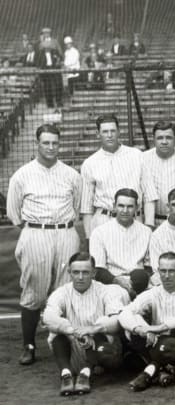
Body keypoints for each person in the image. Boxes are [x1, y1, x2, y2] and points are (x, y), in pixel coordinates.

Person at [6, 123, 82, 365]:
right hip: (36, 233)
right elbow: (14, 214)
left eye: (55, 143)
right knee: (34, 292)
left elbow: (78, 209)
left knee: (65, 290)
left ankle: (64, 341)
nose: (50, 147)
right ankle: (29, 345)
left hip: (66, 232)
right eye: (46, 142)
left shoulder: (72, 174)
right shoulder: (21, 175)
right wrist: (36, 230)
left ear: (60, 144)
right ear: (36, 144)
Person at [119, 252, 175, 391]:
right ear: (158, 271)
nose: (167, 275)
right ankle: (162, 371)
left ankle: (151, 370)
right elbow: (124, 313)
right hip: (161, 349)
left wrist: (160, 328)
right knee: (134, 320)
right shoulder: (153, 293)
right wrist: (140, 329)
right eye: (163, 271)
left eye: (172, 271)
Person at [43, 252, 130, 395]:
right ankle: (66, 374)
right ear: (69, 272)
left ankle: (86, 373)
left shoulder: (106, 291)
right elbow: (48, 316)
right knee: (57, 331)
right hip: (73, 349)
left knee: (102, 329)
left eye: (85, 272)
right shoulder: (61, 293)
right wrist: (72, 330)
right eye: (76, 272)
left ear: (94, 273)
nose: (80, 277)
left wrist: (93, 329)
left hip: (102, 350)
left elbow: (117, 320)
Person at [81, 114, 153, 237]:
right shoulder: (90, 163)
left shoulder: (137, 155)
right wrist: (89, 237)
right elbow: (86, 207)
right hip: (104, 220)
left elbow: (150, 196)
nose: (109, 135)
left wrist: (149, 227)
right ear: (98, 134)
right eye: (105, 131)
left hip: (134, 219)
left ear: (119, 132)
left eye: (113, 131)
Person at [89, 188, 152, 298]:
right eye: (121, 206)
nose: (125, 210)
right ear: (114, 206)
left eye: (130, 206)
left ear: (137, 208)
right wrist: (117, 281)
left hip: (140, 283)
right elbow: (98, 269)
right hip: (111, 283)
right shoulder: (100, 232)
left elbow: (149, 267)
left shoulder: (146, 232)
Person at [141, 121, 175, 227]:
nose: (164, 142)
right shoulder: (143, 159)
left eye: (168, 138)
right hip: (151, 221)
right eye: (160, 138)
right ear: (153, 139)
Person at [36, 34, 63, 108]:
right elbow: (38, 63)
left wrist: (58, 61)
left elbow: (60, 57)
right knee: (47, 87)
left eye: (48, 46)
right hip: (45, 71)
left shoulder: (54, 52)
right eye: (45, 46)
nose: (47, 47)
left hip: (55, 69)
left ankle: (59, 101)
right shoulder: (40, 54)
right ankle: (50, 103)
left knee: (58, 85)